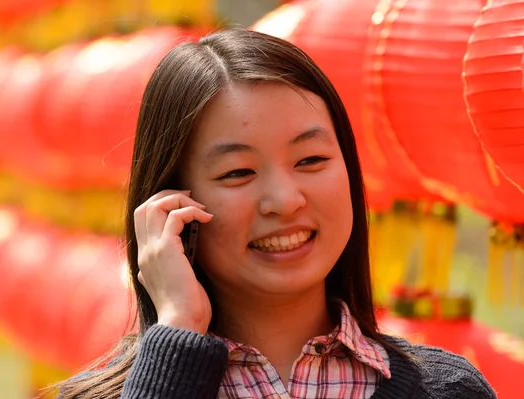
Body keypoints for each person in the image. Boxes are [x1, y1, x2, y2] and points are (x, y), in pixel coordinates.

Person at [55, 28, 497, 399]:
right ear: (169, 207)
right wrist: (178, 333)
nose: (285, 201)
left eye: (310, 161)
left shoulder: (449, 390)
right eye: (238, 172)